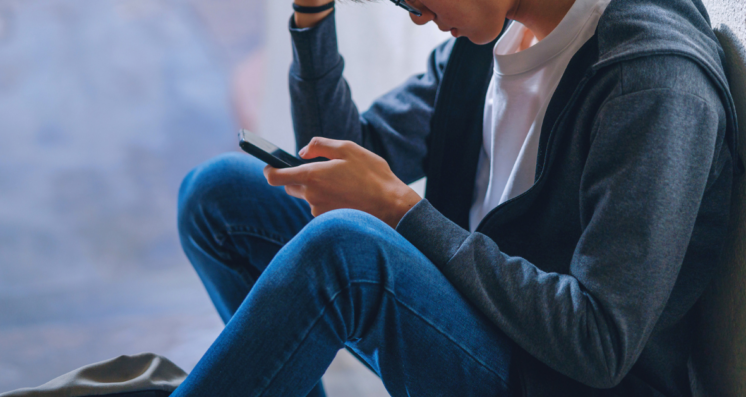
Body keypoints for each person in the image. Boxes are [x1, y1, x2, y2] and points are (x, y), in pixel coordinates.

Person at [173, 0, 740, 395]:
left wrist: (401, 210)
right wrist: (312, 14)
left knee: (344, 252)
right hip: (478, 324)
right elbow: (345, 156)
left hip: (551, 378)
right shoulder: (491, 39)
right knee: (218, 194)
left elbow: (599, 343)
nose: (416, 14)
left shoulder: (650, 81)